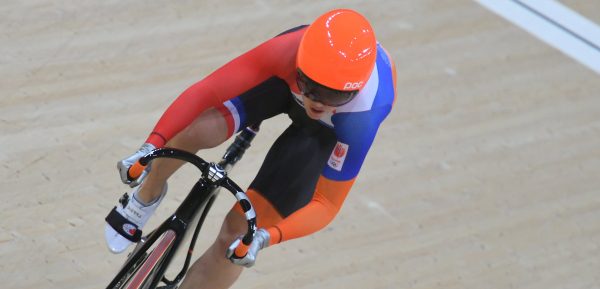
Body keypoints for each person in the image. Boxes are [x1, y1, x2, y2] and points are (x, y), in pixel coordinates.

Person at [104, 8, 397, 289]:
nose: (319, 102)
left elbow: (327, 203)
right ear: (300, 66)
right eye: (312, 88)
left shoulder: (362, 117)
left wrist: (266, 237)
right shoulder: (286, 51)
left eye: (335, 96)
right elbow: (206, 90)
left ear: (355, 90)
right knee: (199, 128)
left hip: (326, 131)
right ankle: (146, 195)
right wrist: (149, 146)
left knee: (238, 235)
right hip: (283, 86)